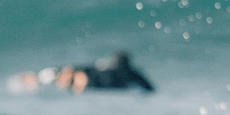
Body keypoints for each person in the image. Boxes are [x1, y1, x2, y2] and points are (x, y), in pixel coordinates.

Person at [13, 50, 155, 93]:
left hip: (93, 77)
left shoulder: (44, 76)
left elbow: (64, 72)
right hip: (93, 78)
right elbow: (65, 73)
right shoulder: (44, 78)